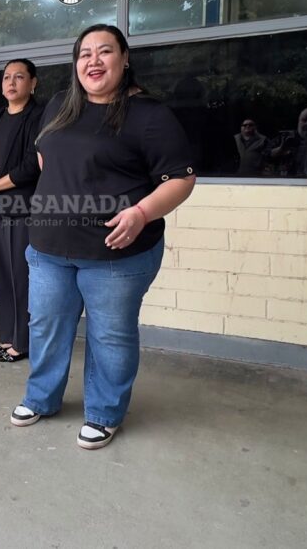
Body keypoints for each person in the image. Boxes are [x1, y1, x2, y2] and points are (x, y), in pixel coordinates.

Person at [10, 24, 195, 450]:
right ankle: (41, 398)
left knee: (110, 336)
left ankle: (104, 412)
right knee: (46, 327)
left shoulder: (149, 115)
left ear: (124, 59)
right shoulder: (60, 104)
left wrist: (141, 212)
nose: (93, 60)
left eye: (105, 51)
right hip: (49, 248)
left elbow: (181, 179)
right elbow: (44, 156)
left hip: (116, 253)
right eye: (84, 53)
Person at [0, 59, 44, 361]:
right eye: (6, 77)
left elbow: (31, 165)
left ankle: (23, 342)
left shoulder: (38, 116)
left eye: (19, 77)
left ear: (33, 83)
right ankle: (7, 337)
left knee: (21, 276)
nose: (11, 82)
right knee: (2, 274)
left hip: (21, 207)